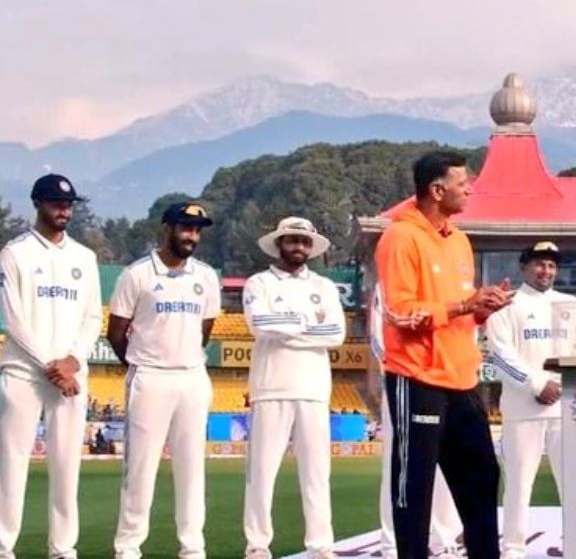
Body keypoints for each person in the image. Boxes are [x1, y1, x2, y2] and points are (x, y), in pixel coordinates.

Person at [375, 150, 514, 559]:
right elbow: (400, 312)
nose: (469, 188)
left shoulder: (459, 240)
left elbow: (458, 310)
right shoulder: (400, 238)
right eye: (462, 182)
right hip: (416, 378)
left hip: (463, 379)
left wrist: (482, 309)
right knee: (414, 487)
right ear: (437, 190)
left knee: (482, 477)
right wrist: (464, 306)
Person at [108, 202, 221, 559]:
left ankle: (192, 548)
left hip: (191, 377)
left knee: (192, 468)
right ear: (167, 228)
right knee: (140, 468)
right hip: (150, 377)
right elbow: (116, 333)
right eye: (186, 228)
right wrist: (145, 361)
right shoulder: (137, 274)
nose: (192, 236)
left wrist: (180, 357)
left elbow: (205, 329)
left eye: (198, 230)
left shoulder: (205, 276)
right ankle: (128, 549)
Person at [0, 174, 102, 559]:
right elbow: (14, 320)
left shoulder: (84, 257)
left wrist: (73, 361)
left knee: (66, 466)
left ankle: (62, 549)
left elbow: (93, 317)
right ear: (37, 204)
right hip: (24, 374)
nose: (64, 210)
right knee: (12, 463)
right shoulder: (15, 253)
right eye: (56, 203)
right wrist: (51, 365)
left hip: (71, 377)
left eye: (69, 204)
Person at [242, 217, 347, 559]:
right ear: (279, 243)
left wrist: (288, 325)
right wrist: (307, 325)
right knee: (261, 473)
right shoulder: (259, 283)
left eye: (304, 241)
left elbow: (336, 335)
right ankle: (257, 544)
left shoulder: (325, 286)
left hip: (314, 389)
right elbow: (260, 324)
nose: (298, 247)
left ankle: (321, 545)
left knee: (317, 474)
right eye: (292, 241)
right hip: (271, 387)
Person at [483, 241, 576, 559]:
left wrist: (558, 385)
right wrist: (536, 384)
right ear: (524, 267)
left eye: (551, 265)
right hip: (523, 409)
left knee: (573, 481)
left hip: (565, 406)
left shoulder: (571, 304)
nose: (546, 271)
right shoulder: (507, 305)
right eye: (539, 264)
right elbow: (500, 355)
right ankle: (514, 548)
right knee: (518, 482)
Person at [370, 283, 466, 559]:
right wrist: (410, 368)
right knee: (400, 465)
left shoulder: (451, 275)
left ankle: (445, 540)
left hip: (448, 382)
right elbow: (380, 338)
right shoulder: (390, 281)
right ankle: (393, 543)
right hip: (406, 381)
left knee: (447, 464)